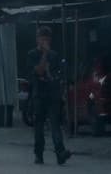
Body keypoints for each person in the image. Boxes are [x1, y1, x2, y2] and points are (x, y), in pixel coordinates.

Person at [27, 26, 71, 165]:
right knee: (39, 127)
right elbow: (39, 71)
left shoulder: (55, 55)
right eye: (42, 38)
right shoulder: (32, 54)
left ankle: (60, 153)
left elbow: (59, 73)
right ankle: (39, 154)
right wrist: (44, 54)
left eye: (47, 39)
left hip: (52, 94)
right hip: (39, 94)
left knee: (55, 125)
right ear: (37, 39)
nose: (45, 41)